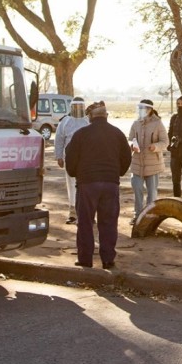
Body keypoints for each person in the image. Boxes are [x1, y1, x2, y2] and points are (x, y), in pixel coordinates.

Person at [64, 101, 132, 269]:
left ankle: (85, 259)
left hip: (87, 184)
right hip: (110, 183)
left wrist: (75, 174)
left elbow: (70, 158)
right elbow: (126, 157)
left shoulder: (81, 134)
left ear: (90, 117)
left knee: (85, 223)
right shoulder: (117, 133)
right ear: (106, 115)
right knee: (108, 222)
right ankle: (108, 259)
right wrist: (117, 173)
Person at [127, 98, 167, 220]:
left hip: (153, 164)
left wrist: (155, 147)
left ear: (149, 110)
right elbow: (130, 138)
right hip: (137, 163)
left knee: (152, 192)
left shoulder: (158, 124)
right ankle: (138, 215)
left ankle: (150, 216)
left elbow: (165, 141)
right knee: (137, 187)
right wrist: (132, 145)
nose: (140, 111)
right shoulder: (135, 123)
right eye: (139, 108)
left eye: (142, 108)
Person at [54, 96, 90, 225]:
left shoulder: (88, 121)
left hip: (87, 160)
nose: (78, 109)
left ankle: (88, 214)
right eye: (75, 107)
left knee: (87, 187)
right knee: (71, 186)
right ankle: (73, 213)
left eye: (80, 107)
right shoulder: (65, 122)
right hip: (70, 159)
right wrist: (59, 156)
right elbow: (59, 139)